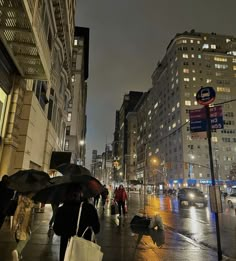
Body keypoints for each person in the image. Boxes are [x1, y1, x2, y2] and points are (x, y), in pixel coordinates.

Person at [53, 185, 100, 261]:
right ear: (81, 194)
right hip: (84, 250)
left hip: (67, 251)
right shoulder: (89, 209)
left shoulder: (61, 210)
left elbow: (57, 230)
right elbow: (97, 229)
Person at [11, 193, 35, 261]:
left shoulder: (20, 203)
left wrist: (13, 227)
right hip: (24, 228)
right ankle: (16, 251)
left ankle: (18, 255)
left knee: (19, 240)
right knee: (26, 238)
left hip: (18, 227)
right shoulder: (30, 205)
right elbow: (29, 220)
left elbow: (15, 216)